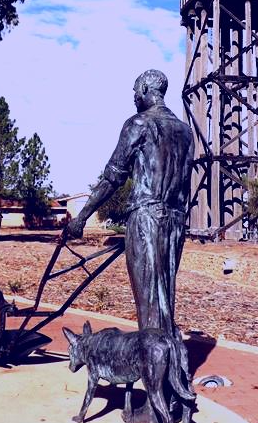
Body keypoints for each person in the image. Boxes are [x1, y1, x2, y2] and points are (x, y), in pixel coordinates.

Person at [67, 68, 194, 345]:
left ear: (148, 91)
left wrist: (81, 217)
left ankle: (156, 380)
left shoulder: (138, 124)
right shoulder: (185, 132)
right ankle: (171, 366)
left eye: (136, 91)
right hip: (175, 221)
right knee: (164, 299)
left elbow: (113, 176)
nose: (134, 96)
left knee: (149, 301)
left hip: (147, 218)